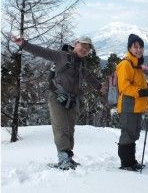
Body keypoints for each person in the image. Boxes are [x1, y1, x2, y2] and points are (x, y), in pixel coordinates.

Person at [12, 36, 104, 170]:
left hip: (72, 99)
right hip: (56, 96)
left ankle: (68, 158)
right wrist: (24, 44)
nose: (84, 49)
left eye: (87, 48)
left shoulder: (81, 63)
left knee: (70, 129)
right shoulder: (62, 56)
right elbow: (41, 51)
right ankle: (63, 159)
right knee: (61, 128)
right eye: (82, 45)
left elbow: (88, 76)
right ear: (75, 44)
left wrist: (100, 86)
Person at [116, 33, 148, 171]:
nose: (138, 49)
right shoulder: (126, 64)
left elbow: (141, 85)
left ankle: (131, 161)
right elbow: (124, 87)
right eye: (135, 47)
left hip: (136, 105)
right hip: (128, 104)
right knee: (128, 133)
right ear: (129, 48)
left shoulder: (137, 66)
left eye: (141, 47)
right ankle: (126, 163)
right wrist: (142, 92)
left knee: (134, 133)